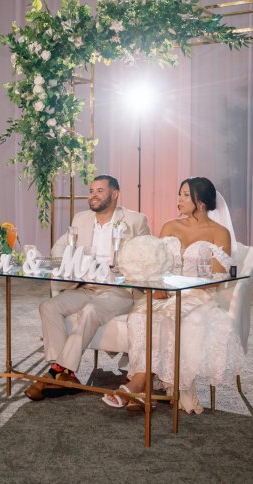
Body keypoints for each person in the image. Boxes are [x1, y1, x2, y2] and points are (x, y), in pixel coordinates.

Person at [102, 177, 244, 413]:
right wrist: (158, 287)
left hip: (197, 295)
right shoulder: (169, 226)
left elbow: (216, 277)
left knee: (169, 319)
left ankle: (138, 386)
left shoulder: (219, 232)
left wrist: (181, 290)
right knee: (140, 317)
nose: (179, 199)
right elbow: (155, 265)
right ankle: (144, 389)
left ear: (201, 201)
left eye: (186, 195)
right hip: (163, 293)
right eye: (179, 194)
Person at [25, 174, 150, 401]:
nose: (93, 195)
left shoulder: (135, 220)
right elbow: (61, 249)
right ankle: (65, 374)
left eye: (100, 191)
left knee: (90, 311)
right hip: (86, 287)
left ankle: (54, 373)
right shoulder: (81, 219)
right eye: (91, 191)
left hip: (118, 291)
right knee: (48, 306)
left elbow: (146, 257)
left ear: (114, 194)